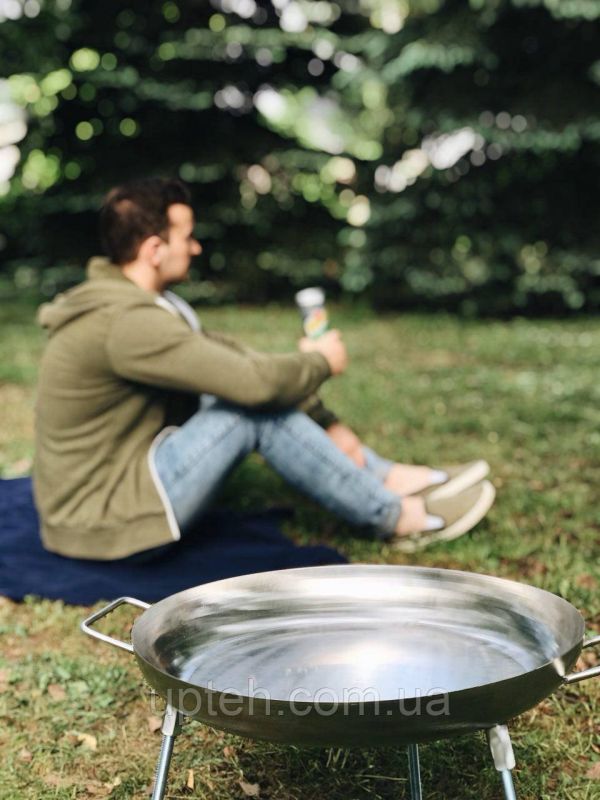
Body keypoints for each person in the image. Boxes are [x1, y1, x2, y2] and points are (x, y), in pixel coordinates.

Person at [33, 177, 495, 561]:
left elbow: (235, 361)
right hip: (103, 519)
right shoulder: (127, 322)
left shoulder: (141, 304)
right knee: (248, 411)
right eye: (186, 237)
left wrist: (328, 421)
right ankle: (394, 517)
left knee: (235, 390)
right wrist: (321, 362)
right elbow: (253, 385)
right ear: (154, 248)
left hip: (113, 489)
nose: (195, 247)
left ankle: (382, 475)